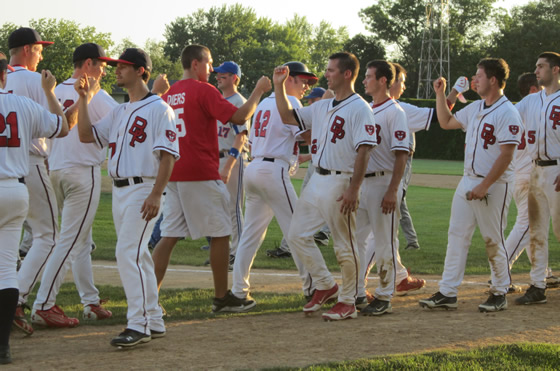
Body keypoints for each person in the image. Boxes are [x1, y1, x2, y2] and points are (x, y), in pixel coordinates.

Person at [151, 44, 271, 313]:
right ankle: (221, 297)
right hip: (201, 171)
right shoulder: (204, 90)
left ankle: (149, 297)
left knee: (168, 235)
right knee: (221, 233)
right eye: (208, 64)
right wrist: (259, 91)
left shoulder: (169, 94)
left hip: (175, 170)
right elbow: (239, 116)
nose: (211, 69)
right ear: (196, 64)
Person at [75, 48, 179, 347]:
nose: (116, 71)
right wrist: (84, 100)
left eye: (123, 67)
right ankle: (153, 319)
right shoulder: (119, 110)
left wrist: (156, 194)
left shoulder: (160, 109)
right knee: (139, 256)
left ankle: (138, 324)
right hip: (121, 191)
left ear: (141, 71)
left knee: (127, 253)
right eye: (116, 66)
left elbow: (168, 157)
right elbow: (85, 135)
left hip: (143, 189)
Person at [275, 52, 377, 321]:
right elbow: (287, 116)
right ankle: (325, 285)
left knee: (345, 245)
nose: (326, 73)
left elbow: (364, 150)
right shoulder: (322, 106)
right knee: (296, 235)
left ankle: (349, 301)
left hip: (341, 179)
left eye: (331, 70)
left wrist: (354, 189)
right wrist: (278, 85)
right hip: (317, 179)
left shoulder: (360, 108)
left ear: (346, 74)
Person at [419, 58, 523, 312]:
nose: (474, 80)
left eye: (479, 76)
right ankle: (447, 291)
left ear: (493, 80)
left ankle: (499, 292)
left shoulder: (508, 112)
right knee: (456, 235)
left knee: (493, 239)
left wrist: (485, 185)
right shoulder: (476, 107)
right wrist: (442, 93)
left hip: (494, 185)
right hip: (468, 180)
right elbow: (445, 122)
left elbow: (507, 155)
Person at [27, 43, 117, 329]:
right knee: (68, 241)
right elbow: (126, 120)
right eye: (101, 63)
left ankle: (90, 300)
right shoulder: (96, 95)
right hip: (82, 173)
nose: (104, 69)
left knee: (79, 240)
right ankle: (43, 304)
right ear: (87, 63)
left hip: (54, 170)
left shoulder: (52, 91)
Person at [231, 61, 317, 308]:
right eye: (303, 81)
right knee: (298, 231)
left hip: (254, 168)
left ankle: (239, 291)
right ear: (289, 79)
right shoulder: (291, 103)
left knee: (250, 235)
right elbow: (306, 137)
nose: (305, 87)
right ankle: (312, 286)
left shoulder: (263, 104)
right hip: (273, 170)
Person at [0, 54, 69, 364]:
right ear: (4, 77)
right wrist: (50, 92)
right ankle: (2, 347)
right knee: (5, 273)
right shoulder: (23, 105)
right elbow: (62, 126)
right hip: (15, 188)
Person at [4, 27, 60, 334]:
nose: (41, 54)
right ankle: (17, 299)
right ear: (27, 49)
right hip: (30, 163)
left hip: (5, 167)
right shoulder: (34, 80)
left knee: (8, 243)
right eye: (39, 49)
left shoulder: (5, 79)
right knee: (48, 235)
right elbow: (61, 125)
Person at [355, 60, 409, 315]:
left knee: (385, 241)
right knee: (356, 239)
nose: (364, 80)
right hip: (363, 183)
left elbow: (402, 155)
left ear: (383, 80)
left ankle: (384, 296)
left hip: (383, 182)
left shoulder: (394, 112)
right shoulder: (368, 109)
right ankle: (356, 290)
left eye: (369, 76)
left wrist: (392, 190)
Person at [514, 52, 560, 305]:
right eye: (536, 66)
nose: (536, 70)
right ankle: (537, 285)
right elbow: (506, 113)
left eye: (541, 66)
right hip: (536, 171)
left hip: (558, 170)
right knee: (536, 232)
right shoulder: (531, 101)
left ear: (556, 70)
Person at [201, 61, 250, 267]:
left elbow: (241, 137)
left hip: (233, 159)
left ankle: (237, 252)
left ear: (235, 78)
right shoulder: (218, 99)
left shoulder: (239, 101)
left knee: (233, 208)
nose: (218, 76)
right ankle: (224, 250)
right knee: (217, 208)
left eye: (224, 74)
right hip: (215, 158)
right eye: (218, 73)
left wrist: (228, 166)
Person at [500, 72, 541, 293]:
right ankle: (500, 270)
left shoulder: (515, 110)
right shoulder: (534, 109)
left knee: (535, 225)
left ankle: (545, 272)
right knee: (527, 224)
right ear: (533, 90)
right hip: (527, 175)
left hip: (520, 174)